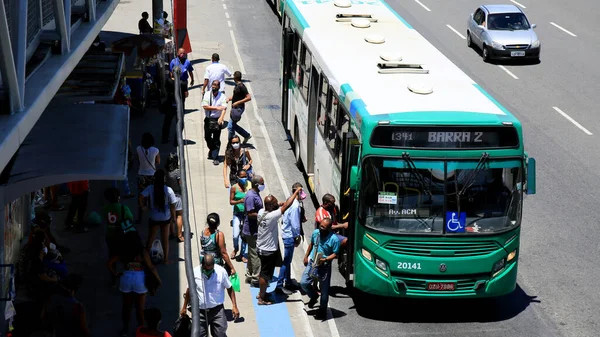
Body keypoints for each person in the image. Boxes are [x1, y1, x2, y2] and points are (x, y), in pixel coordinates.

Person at [107, 232, 161, 337]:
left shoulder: (121, 251)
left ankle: (125, 329)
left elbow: (108, 264)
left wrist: (116, 273)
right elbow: (151, 267)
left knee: (126, 306)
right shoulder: (142, 251)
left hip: (126, 278)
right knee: (140, 308)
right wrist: (158, 280)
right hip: (139, 279)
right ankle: (141, 330)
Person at [256, 188, 302, 305]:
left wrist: (278, 204)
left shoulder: (262, 212)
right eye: (275, 203)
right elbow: (286, 205)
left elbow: (280, 205)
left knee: (265, 273)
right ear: (271, 206)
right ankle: (261, 298)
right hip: (268, 250)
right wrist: (296, 193)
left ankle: (262, 292)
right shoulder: (272, 216)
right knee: (265, 275)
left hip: (261, 247)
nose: (278, 204)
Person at [181, 255, 239, 337]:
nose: (208, 271)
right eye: (206, 269)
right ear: (202, 265)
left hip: (217, 310)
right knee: (199, 334)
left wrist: (234, 306)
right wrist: (184, 307)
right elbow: (189, 290)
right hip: (200, 312)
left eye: (210, 269)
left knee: (220, 334)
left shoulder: (221, 272)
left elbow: (229, 288)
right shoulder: (195, 272)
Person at [301, 217, 340, 320]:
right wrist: (306, 256)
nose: (321, 228)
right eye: (320, 226)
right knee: (304, 282)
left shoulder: (334, 239)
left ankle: (323, 310)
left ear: (329, 228)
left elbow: (335, 254)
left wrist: (326, 259)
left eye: (324, 227)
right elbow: (312, 244)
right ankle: (313, 295)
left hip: (324, 266)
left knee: (324, 290)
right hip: (313, 262)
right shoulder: (316, 233)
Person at [139, 169, 178, 264]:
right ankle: (165, 260)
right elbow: (173, 206)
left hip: (154, 217)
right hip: (165, 218)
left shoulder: (150, 188)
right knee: (165, 240)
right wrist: (173, 218)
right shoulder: (168, 190)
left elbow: (140, 196)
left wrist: (143, 207)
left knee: (150, 239)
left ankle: (146, 259)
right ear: (164, 179)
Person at [276, 183, 306, 295]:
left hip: (287, 234)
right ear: (298, 191)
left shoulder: (290, 200)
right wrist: (297, 236)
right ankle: (279, 285)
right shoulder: (295, 205)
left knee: (288, 261)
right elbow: (295, 224)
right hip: (290, 236)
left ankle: (288, 281)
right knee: (286, 261)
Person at [104, 187, 135, 285]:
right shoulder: (123, 208)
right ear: (118, 197)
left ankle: (113, 278)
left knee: (112, 256)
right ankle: (127, 276)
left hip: (110, 236)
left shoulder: (106, 208)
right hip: (122, 236)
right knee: (124, 256)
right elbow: (130, 219)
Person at [242, 175, 265, 287]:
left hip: (255, 229)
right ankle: (256, 278)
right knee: (255, 254)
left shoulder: (255, 194)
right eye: (262, 183)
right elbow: (250, 213)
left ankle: (250, 275)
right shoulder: (251, 197)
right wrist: (263, 214)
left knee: (252, 253)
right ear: (256, 185)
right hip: (251, 230)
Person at [202, 80, 228, 165]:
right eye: (213, 84)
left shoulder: (222, 96)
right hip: (209, 119)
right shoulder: (207, 94)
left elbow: (224, 108)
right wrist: (217, 108)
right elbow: (205, 106)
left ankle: (215, 157)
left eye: (216, 85)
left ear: (219, 87)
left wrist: (221, 117)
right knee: (207, 137)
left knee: (216, 139)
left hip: (217, 120)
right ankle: (212, 150)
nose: (214, 86)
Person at [137, 132, 160, 223]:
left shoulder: (138, 149)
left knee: (141, 195)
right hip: (152, 176)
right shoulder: (155, 150)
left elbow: (138, 160)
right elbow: (158, 161)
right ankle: (153, 216)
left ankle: (140, 217)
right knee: (152, 195)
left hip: (141, 175)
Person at [229, 169, 249, 263]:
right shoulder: (234, 188)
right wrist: (239, 201)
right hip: (237, 213)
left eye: (245, 176)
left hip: (247, 214)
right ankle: (236, 248)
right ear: (238, 177)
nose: (244, 178)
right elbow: (231, 201)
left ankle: (242, 254)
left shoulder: (249, 186)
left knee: (244, 236)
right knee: (236, 235)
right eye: (242, 177)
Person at [226, 71, 252, 142]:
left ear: (235, 77)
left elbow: (248, 97)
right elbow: (236, 96)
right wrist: (229, 98)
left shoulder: (242, 86)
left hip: (238, 109)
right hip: (235, 108)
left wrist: (237, 102)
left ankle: (231, 143)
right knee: (233, 125)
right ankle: (246, 135)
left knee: (230, 127)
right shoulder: (237, 85)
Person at [166, 153, 184, 242]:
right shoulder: (177, 171)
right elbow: (180, 183)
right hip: (177, 195)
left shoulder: (165, 171)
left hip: (167, 196)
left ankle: (172, 233)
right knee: (179, 215)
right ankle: (180, 235)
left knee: (170, 215)